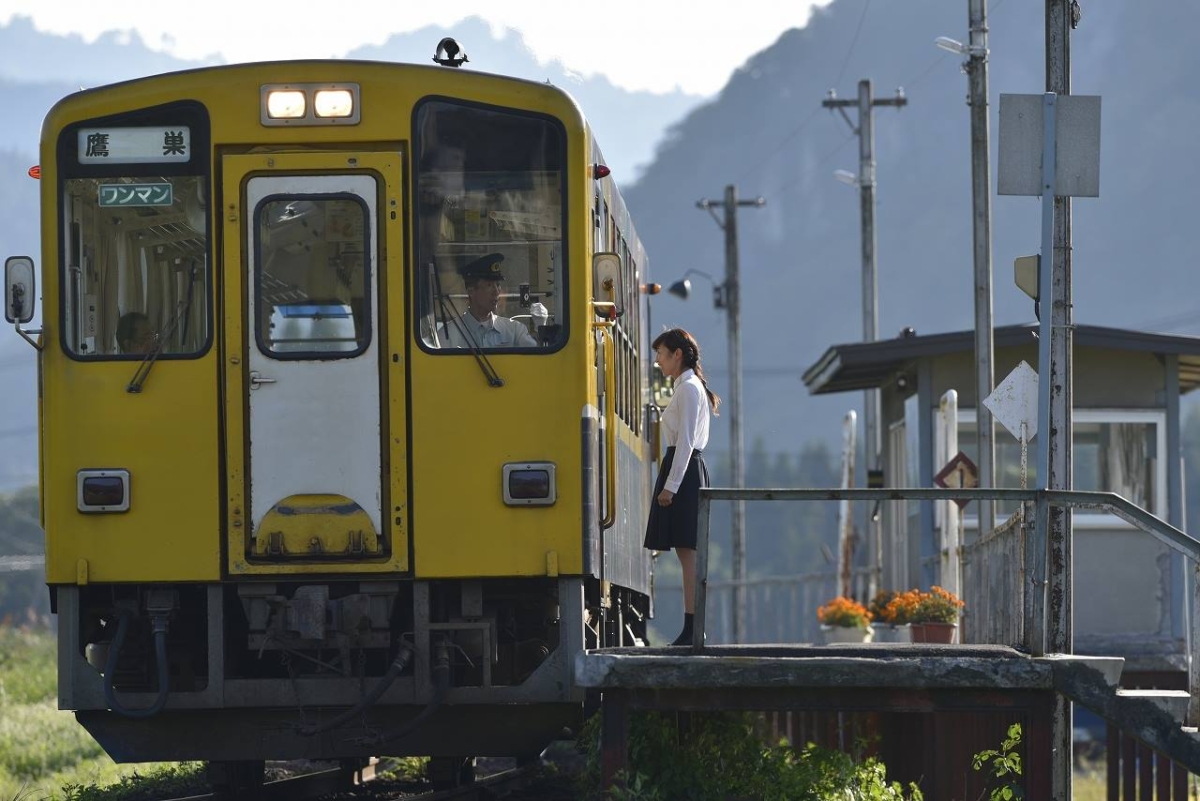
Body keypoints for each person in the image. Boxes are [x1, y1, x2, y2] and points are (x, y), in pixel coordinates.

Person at [643, 328, 720, 646]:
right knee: (686, 552)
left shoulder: (688, 388)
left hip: (684, 471)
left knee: (689, 553)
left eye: (661, 353)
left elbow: (686, 442)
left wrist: (671, 486)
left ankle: (693, 627)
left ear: (677, 354)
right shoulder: (686, 387)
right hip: (683, 469)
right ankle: (692, 626)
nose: (658, 361)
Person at [441, 253, 537, 348]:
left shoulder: (515, 331)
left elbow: (536, 359)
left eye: (498, 284)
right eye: (489, 285)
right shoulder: (448, 335)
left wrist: (539, 327)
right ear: (471, 291)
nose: (496, 291)